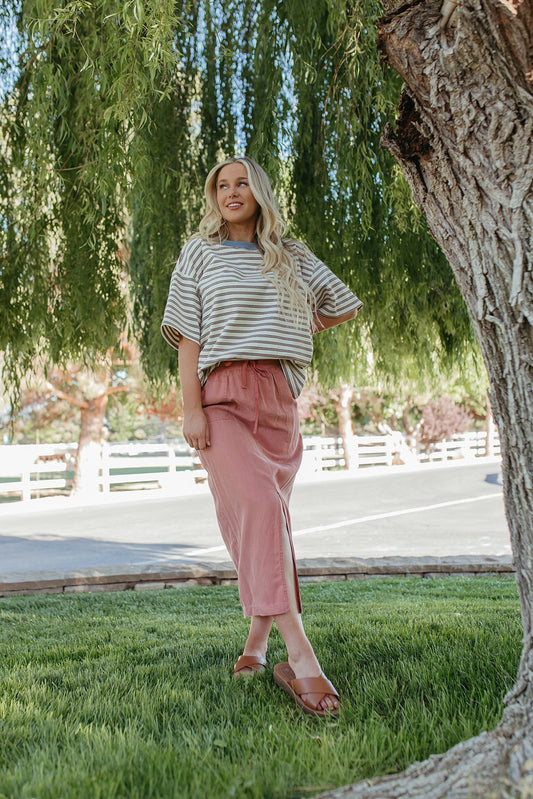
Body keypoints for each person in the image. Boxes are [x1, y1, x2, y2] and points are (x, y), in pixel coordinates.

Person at [161, 155, 362, 717]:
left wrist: (292, 324)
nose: (231, 191)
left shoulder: (290, 255)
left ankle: (253, 647)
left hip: (278, 398)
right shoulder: (199, 253)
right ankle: (300, 658)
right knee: (259, 511)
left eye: (242, 181)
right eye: (220, 185)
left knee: (269, 524)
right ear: (212, 197)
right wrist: (191, 409)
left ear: (260, 191)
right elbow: (187, 339)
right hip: (221, 399)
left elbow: (341, 303)